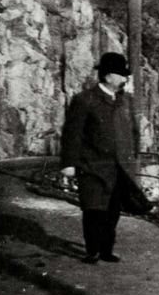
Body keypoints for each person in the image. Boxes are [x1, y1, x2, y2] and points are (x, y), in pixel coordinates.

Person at [60, 52, 141, 264]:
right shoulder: (84, 100)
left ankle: (107, 250)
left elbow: (134, 131)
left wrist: (134, 156)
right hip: (92, 166)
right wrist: (69, 163)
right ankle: (92, 251)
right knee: (94, 210)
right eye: (121, 75)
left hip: (118, 168)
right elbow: (72, 133)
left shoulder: (125, 101)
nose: (125, 79)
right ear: (107, 77)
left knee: (113, 212)